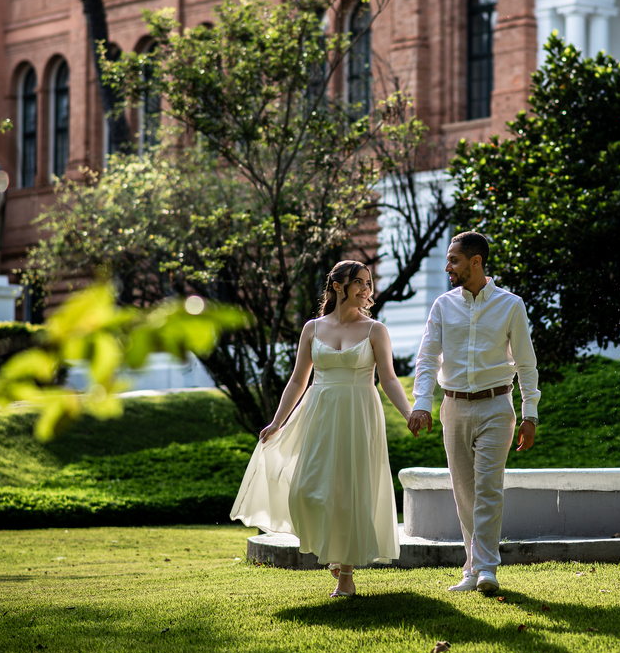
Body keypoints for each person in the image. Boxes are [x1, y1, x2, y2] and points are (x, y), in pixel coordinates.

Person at [231, 260, 413, 598]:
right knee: (305, 488)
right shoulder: (313, 329)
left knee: (350, 491)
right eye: (359, 282)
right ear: (338, 286)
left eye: (368, 283)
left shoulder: (376, 330)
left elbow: (388, 378)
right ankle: (330, 545)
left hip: (359, 412)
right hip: (319, 412)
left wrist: (409, 412)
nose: (366, 289)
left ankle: (346, 573)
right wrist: (277, 421)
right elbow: (299, 379)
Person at [409, 231, 540, 593]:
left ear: (476, 262)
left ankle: (486, 569)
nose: (448, 267)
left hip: (498, 406)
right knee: (464, 492)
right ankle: (472, 568)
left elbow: (526, 365)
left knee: (487, 488)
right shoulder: (442, 306)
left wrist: (531, 414)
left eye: (454, 260)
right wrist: (422, 403)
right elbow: (426, 359)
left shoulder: (511, 305)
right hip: (453, 407)